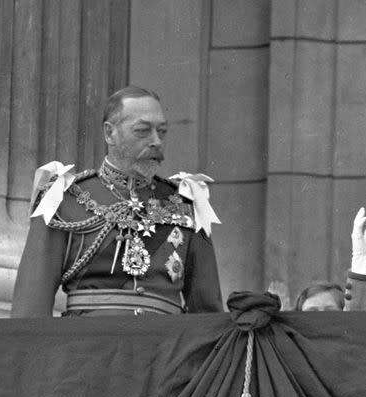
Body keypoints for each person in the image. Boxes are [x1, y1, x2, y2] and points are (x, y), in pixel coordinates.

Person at [11, 85, 224, 317]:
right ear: (109, 133)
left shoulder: (187, 203)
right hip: (87, 349)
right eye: (143, 131)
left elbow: (207, 313)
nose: (156, 141)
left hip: (166, 350)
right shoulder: (63, 199)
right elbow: (30, 309)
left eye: (161, 132)